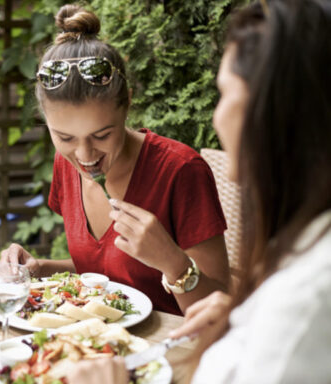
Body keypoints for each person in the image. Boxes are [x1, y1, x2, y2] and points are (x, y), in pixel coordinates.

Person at [66, 0, 331, 382]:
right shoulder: (300, 255)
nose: (216, 114)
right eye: (66, 138)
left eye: (224, 92)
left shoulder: (304, 301)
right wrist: (241, 324)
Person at [1, 4, 230, 315]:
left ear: (128, 104)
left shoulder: (181, 170)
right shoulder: (65, 165)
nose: (85, 156)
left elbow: (223, 313)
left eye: (102, 135)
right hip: (98, 349)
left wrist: (172, 262)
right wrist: (40, 268)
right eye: (65, 138)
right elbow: (107, 272)